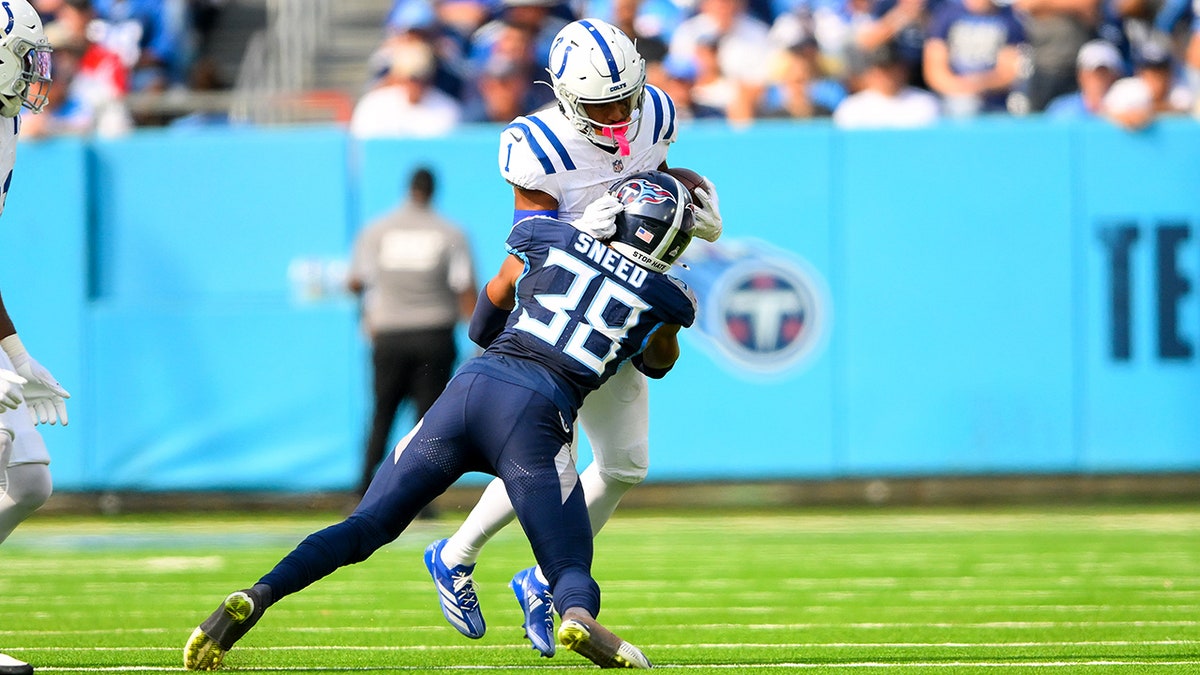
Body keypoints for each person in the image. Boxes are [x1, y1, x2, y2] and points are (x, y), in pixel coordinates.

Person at [182, 171, 699, 672]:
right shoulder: (667, 299)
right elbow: (658, 364)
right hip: (534, 419)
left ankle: (259, 594)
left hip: (470, 390)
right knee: (566, 565)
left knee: (365, 526)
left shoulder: (550, 237)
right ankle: (578, 616)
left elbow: (484, 319)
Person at [422, 17, 723, 659]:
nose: (617, 115)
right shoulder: (534, 145)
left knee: (625, 463)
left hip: (622, 304)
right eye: (600, 105)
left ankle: (524, 573)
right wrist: (585, 230)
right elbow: (529, 246)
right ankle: (461, 554)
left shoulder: (655, 111)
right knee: (544, 458)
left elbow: (655, 183)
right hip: (560, 312)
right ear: (563, 95)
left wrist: (691, 202)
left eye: (625, 99)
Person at [0, 3, 72, 674]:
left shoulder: (6, 124)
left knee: (28, 481)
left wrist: (17, 354)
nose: (35, 71)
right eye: (27, 56)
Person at [346, 167, 477, 497]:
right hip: (434, 335)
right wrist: (481, 336)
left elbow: (356, 282)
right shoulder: (449, 231)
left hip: (390, 333)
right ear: (432, 191)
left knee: (383, 413)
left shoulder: (378, 230)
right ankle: (420, 497)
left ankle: (365, 490)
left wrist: (370, 310)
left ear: (408, 189)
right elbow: (464, 287)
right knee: (427, 421)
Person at [922, 0, 1027, 116]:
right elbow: (935, 70)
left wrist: (979, 85)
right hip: (952, 99)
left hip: (996, 100)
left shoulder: (1009, 17)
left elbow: (1009, 73)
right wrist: (962, 88)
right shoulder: (946, 14)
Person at [348, 39, 462, 138]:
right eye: (410, 78)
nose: (415, 84)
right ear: (398, 77)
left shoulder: (447, 109)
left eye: (421, 77)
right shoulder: (373, 105)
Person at [833, 40, 941, 127]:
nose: (886, 75)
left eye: (891, 68)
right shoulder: (852, 108)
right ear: (871, 70)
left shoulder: (925, 104)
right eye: (881, 69)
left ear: (903, 69)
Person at [1044, 38, 1124, 118]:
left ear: (1116, 76)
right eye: (1091, 73)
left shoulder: (1125, 108)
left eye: (1104, 73)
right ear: (1081, 75)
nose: (1098, 80)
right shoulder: (1060, 109)